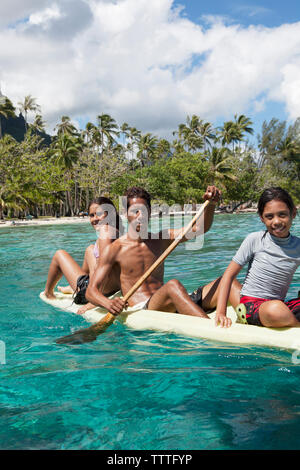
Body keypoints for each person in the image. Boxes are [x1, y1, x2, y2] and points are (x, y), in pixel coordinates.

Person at [85, 186, 241, 318]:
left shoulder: (162, 239)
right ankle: (209, 328)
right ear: (126, 214)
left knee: (227, 283)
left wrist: (212, 204)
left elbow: (200, 228)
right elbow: (91, 291)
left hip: (171, 301)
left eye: (144, 211)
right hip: (145, 308)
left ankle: (255, 318)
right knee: (173, 285)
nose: (140, 217)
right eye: (135, 212)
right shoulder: (115, 249)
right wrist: (108, 303)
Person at [215, 187, 300, 328]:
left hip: (278, 304)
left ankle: (288, 319)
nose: (277, 221)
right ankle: (295, 325)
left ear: (293, 213)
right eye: (269, 216)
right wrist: (221, 312)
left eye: (282, 215)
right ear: (262, 218)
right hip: (251, 305)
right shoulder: (255, 239)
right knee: (276, 309)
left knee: (278, 307)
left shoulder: (298, 245)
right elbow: (228, 276)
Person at [43, 197, 123, 314]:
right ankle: (73, 287)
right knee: (90, 249)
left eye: (99, 214)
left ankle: (48, 293)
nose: (95, 219)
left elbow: (105, 272)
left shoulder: (105, 233)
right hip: (112, 287)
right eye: (91, 215)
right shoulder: (119, 233)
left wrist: (93, 302)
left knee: (59, 255)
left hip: (97, 292)